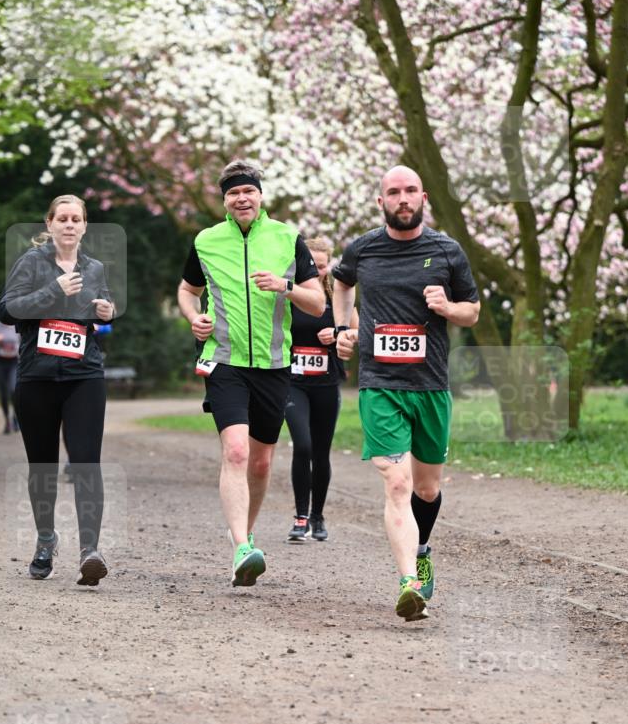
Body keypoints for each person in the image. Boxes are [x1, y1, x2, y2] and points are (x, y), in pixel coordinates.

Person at [333, 165, 480, 621]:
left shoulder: (447, 250)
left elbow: (472, 311)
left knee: (428, 489)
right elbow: (340, 282)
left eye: (410, 191)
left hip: (431, 384)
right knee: (397, 482)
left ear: (424, 197)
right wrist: (342, 328)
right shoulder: (363, 249)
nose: (403, 198)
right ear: (381, 202)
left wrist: (446, 307)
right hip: (380, 383)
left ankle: (421, 549)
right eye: (393, 192)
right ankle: (408, 584)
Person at [177, 159, 324, 586]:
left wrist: (285, 287)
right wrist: (193, 316)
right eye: (233, 193)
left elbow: (317, 303)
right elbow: (188, 290)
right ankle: (242, 546)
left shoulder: (287, 239)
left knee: (260, 463)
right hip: (224, 361)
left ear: (260, 195)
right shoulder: (206, 241)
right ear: (224, 199)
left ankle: (247, 532)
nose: (242, 198)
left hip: (275, 365)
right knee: (236, 451)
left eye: (249, 191)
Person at [0, 194, 116, 585]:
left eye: (75, 218)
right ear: (49, 224)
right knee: (43, 466)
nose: (68, 224)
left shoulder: (94, 267)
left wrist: (106, 313)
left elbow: (101, 315)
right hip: (37, 378)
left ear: (84, 226)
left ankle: (89, 551)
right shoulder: (31, 263)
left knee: (86, 462)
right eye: (61, 218)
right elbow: (7, 310)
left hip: (85, 376)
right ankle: (46, 539)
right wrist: (53, 291)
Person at [285, 237, 358, 543]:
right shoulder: (293, 293)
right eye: (311, 264)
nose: (316, 270)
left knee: (321, 451)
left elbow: (357, 332)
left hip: (326, 382)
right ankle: (301, 517)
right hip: (293, 382)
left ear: (330, 266)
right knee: (302, 446)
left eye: (322, 265)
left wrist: (341, 333)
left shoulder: (338, 299)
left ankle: (318, 515)